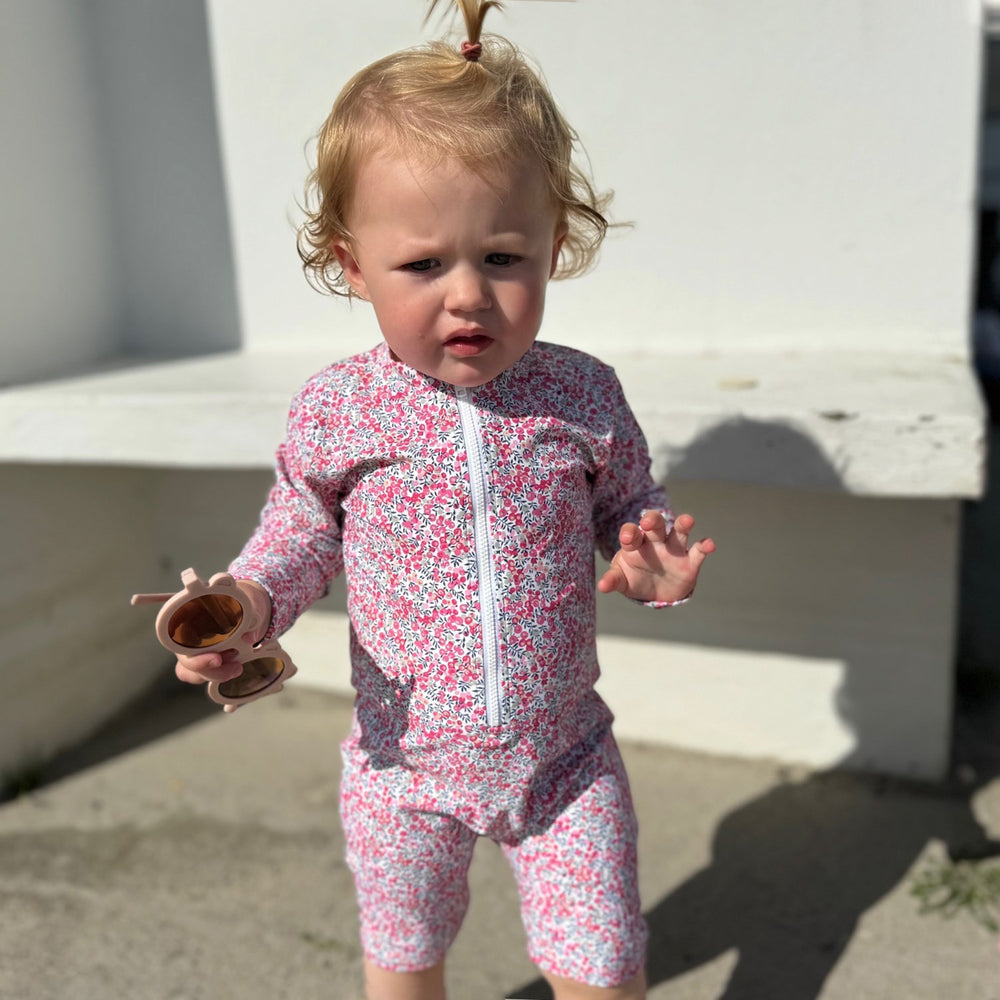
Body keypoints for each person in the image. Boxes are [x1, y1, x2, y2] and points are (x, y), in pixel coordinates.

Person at [173, 2, 715, 997]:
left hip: (565, 764)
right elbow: (298, 534)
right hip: (404, 770)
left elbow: (629, 504)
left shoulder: (581, 393)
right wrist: (245, 605)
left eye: (502, 257)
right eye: (423, 264)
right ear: (352, 265)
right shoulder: (340, 409)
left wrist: (650, 557)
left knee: (604, 967)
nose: (466, 293)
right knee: (404, 961)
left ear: (552, 245)